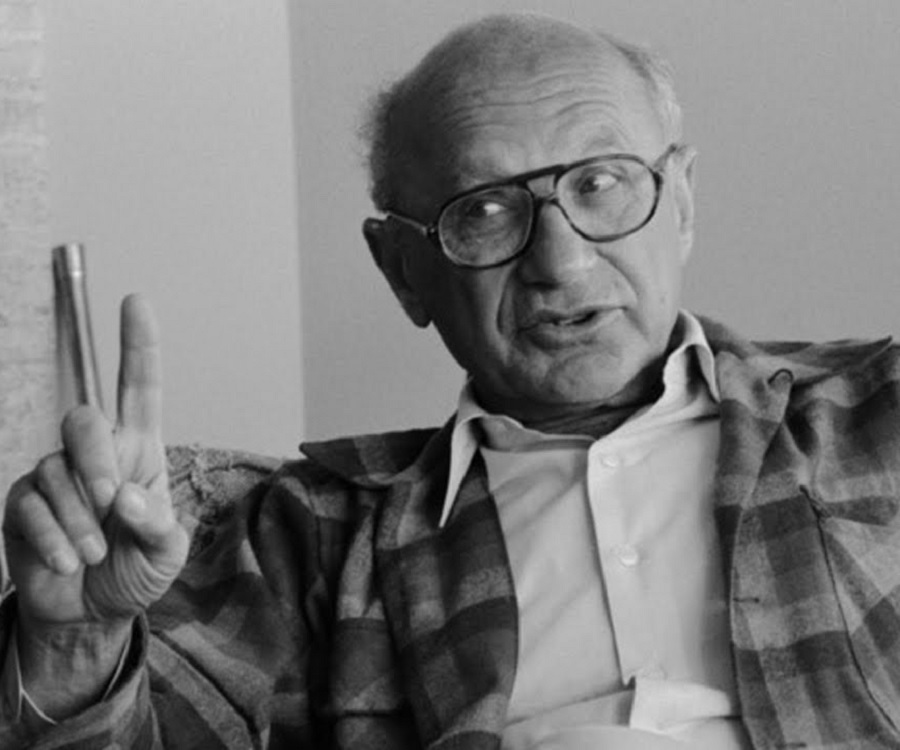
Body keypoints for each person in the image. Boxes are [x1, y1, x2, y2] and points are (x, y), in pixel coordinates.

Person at [2, 11, 899, 750]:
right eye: (487, 211)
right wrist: (76, 643)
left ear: (684, 201)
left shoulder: (875, 415)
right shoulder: (309, 539)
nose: (561, 263)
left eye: (600, 183)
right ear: (403, 269)